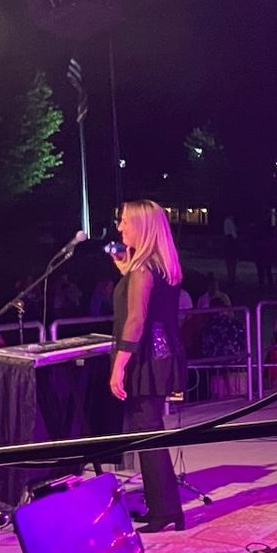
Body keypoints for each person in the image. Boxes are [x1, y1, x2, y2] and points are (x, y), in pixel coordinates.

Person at [110, 200, 186, 533]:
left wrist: (119, 364)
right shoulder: (158, 265)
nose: (120, 228)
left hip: (146, 358)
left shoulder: (143, 269)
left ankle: (165, 510)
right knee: (149, 432)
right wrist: (124, 271)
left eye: (125, 222)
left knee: (147, 433)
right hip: (162, 354)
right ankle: (164, 507)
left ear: (140, 226)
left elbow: (137, 319)